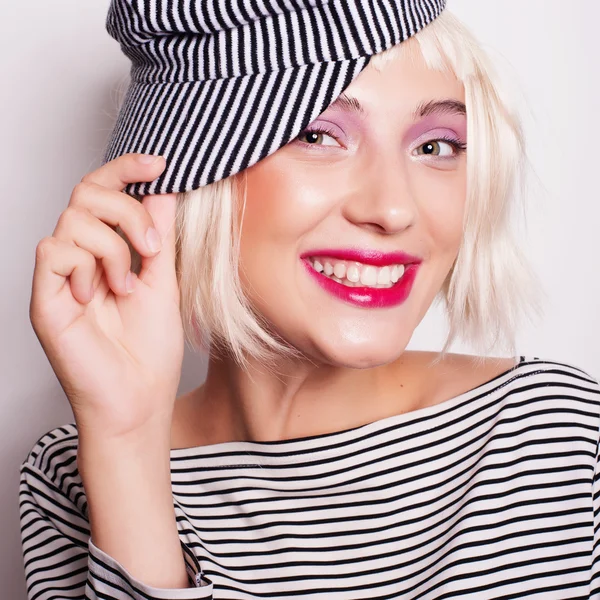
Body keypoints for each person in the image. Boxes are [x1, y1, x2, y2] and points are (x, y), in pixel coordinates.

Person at [19, 0, 600, 598]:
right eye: (320, 135)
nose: (393, 209)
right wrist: (127, 448)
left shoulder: (551, 438)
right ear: (187, 180)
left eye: (436, 146)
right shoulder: (74, 473)